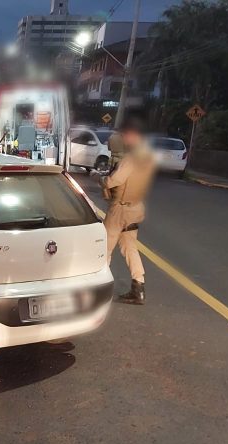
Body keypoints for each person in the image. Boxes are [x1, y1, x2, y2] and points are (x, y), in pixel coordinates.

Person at [99, 115, 157, 305]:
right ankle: (138, 287)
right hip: (136, 207)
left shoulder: (131, 159)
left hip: (121, 209)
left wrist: (103, 180)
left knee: (105, 248)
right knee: (130, 247)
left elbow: (116, 180)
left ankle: (100, 288)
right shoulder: (148, 157)